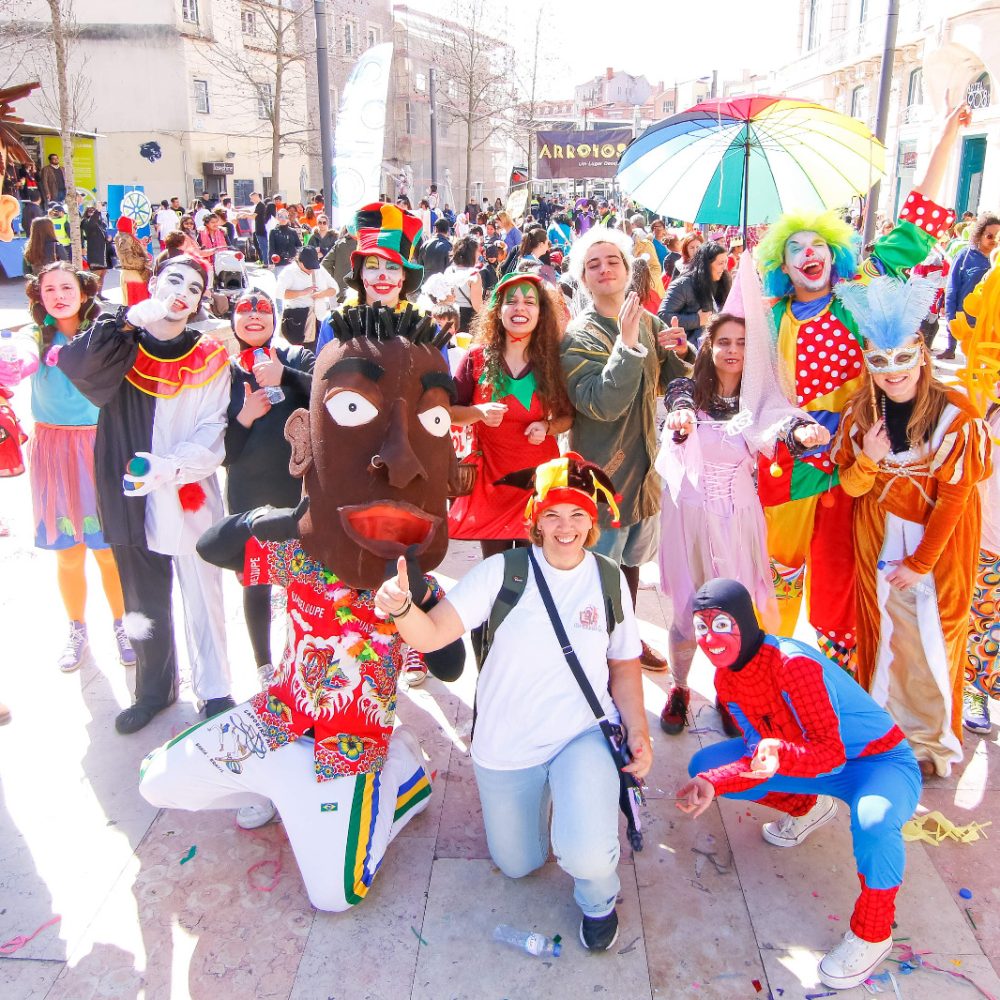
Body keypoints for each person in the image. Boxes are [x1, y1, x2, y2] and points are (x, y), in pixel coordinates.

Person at [140, 303, 464, 908]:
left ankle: (402, 780)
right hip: (283, 714)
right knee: (156, 780)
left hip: (353, 739)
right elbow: (216, 545)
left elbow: (447, 662)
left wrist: (414, 600)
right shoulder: (301, 556)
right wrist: (294, 521)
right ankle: (277, 779)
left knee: (336, 895)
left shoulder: (406, 582)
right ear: (305, 440)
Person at [376, 453, 651, 951]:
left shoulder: (608, 579)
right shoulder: (504, 572)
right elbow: (435, 633)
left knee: (584, 853)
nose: (565, 527)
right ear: (536, 520)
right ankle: (557, 804)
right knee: (519, 864)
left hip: (579, 734)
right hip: (506, 744)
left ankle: (598, 895)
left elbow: (624, 664)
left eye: (577, 514)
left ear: (593, 519)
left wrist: (638, 730)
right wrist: (401, 609)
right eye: (552, 514)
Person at [753, 104, 966, 671]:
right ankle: (775, 668)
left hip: (859, 455)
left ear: (834, 251)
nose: (808, 254)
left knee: (843, 572)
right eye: (794, 248)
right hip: (790, 462)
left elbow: (918, 226)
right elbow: (743, 384)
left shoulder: (860, 293)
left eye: (816, 244)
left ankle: (839, 682)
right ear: (782, 264)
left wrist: (948, 135)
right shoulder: (769, 316)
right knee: (780, 570)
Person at [677, 578, 921, 991]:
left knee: (875, 821)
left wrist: (777, 754)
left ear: (744, 621)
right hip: (813, 760)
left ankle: (874, 933)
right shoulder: (727, 679)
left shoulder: (793, 664)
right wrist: (712, 782)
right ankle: (809, 808)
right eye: (701, 626)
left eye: (721, 624)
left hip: (878, 762)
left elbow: (830, 754)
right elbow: (757, 750)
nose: (710, 638)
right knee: (705, 765)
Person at [58, 255, 235, 734]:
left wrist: (171, 467)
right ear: (154, 283)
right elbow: (74, 365)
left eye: (195, 287)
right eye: (174, 279)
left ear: (201, 302)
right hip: (131, 492)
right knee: (141, 597)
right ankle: (153, 690)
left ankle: (215, 688)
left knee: (204, 593)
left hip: (186, 490)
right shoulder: (121, 343)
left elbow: (212, 428)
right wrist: (125, 317)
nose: (183, 291)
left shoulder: (210, 355)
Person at [656, 263, 830, 736]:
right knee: (688, 610)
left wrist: (805, 431)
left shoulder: (761, 401)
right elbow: (678, 414)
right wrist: (680, 425)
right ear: (709, 347)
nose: (732, 351)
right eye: (724, 342)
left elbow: (781, 426)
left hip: (736, 518)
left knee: (733, 610)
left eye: (742, 343)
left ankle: (732, 693)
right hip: (689, 516)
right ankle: (679, 687)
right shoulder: (686, 390)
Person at [831, 276, 990, 776]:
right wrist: (871, 459)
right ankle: (887, 734)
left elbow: (957, 496)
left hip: (937, 552)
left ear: (922, 354)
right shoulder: (861, 413)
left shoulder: (955, 414)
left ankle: (930, 744)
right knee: (885, 637)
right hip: (877, 538)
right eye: (879, 360)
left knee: (933, 642)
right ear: (867, 361)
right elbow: (853, 488)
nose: (892, 371)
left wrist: (921, 564)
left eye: (903, 358)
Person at [561, 226, 695, 671]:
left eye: (612, 260)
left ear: (627, 269)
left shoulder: (652, 321)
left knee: (633, 565)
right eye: (593, 264)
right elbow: (600, 403)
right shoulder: (578, 336)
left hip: (646, 469)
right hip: (602, 476)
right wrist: (628, 344)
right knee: (601, 569)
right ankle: (596, 655)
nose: (604, 269)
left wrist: (682, 349)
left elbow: (677, 380)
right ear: (583, 278)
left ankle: (627, 640)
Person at [0, 262, 134, 673]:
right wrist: (14, 363)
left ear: (84, 290)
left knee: (108, 551)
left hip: (99, 447)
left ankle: (122, 624)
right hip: (53, 451)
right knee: (68, 554)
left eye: (66, 286)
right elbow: (19, 355)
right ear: (39, 297)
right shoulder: (33, 337)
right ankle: (76, 628)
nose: (58, 295)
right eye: (49, 289)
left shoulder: (104, 331)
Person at [222, 289, 314, 686]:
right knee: (255, 579)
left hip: (298, 493)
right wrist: (244, 417)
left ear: (275, 318)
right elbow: (223, 454)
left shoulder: (295, 358)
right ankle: (264, 665)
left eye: (263, 309)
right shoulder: (222, 373)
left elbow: (331, 396)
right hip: (248, 493)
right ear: (232, 320)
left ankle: (305, 653)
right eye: (245, 309)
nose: (254, 315)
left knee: (302, 578)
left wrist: (286, 377)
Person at [448, 272, 573, 558]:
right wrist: (477, 412)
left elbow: (568, 416)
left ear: (541, 312)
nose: (520, 308)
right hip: (491, 485)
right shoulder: (476, 358)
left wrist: (548, 427)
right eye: (511, 302)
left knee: (536, 568)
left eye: (530, 302)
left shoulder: (552, 361)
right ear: (498, 311)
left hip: (538, 484)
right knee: (496, 570)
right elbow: (449, 412)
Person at [314, 202, 425, 355]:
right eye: (372, 266)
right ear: (360, 273)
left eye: (392, 267)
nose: (382, 275)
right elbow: (320, 376)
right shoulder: (336, 323)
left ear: (404, 274)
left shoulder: (424, 325)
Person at [940, 212, 999, 359]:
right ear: (979, 235)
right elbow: (952, 287)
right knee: (974, 365)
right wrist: (950, 316)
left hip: (993, 324)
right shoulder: (965, 256)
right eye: (989, 236)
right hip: (970, 320)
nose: (994, 241)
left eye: (997, 236)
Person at [658, 241, 731, 347]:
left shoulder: (722, 282)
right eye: (720, 263)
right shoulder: (683, 285)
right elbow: (663, 316)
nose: (724, 268)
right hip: (689, 351)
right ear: (707, 265)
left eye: (726, 262)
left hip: (715, 347)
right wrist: (697, 320)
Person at [276, 246, 338, 346]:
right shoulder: (288, 272)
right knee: (299, 354)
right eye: (308, 267)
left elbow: (335, 289)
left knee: (317, 353)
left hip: (318, 319)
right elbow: (279, 293)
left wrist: (321, 294)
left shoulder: (319, 270)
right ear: (299, 261)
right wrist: (302, 292)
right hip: (297, 321)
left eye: (313, 266)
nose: (311, 270)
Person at [444, 235, 483, 333]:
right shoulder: (474, 275)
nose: (479, 254)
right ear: (471, 253)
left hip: (450, 316)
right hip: (467, 319)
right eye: (478, 251)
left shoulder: (449, 271)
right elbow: (477, 305)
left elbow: (446, 298)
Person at [114, 216, 153, 306]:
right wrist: (145, 261)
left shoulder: (126, 236)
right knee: (137, 306)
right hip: (133, 277)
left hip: (134, 275)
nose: (136, 229)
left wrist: (141, 243)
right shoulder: (124, 238)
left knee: (138, 305)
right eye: (134, 227)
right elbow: (128, 260)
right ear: (128, 226)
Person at [627, 215, 664, 288]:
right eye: (655, 228)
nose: (658, 230)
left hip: (651, 283)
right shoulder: (642, 238)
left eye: (660, 227)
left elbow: (655, 266)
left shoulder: (646, 242)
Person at [81, 205, 110, 295]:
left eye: (93, 210)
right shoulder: (86, 222)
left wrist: (109, 238)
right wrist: (97, 211)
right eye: (90, 211)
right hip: (94, 253)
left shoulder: (100, 223)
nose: (92, 212)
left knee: (102, 275)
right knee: (95, 275)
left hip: (103, 253)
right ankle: (92, 295)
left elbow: (105, 233)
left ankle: (99, 294)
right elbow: (91, 223)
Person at [248, 191, 269, 263]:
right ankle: (265, 261)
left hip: (261, 229)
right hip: (259, 229)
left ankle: (266, 262)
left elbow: (254, 216)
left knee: (264, 247)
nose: (251, 200)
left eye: (252, 198)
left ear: (256, 196)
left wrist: (244, 215)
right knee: (262, 247)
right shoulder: (258, 205)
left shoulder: (261, 205)